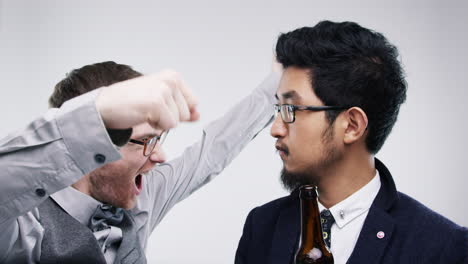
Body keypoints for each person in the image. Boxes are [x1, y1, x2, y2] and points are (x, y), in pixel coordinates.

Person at [0, 61, 280, 263]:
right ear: (89, 146)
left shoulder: (141, 196)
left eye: (159, 139)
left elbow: (213, 150)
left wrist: (281, 79)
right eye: (145, 140)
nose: (159, 156)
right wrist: (94, 115)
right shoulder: (20, 221)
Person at [235, 21, 467, 264]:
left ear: (352, 125)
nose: (276, 129)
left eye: (291, 108)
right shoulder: (262, 226)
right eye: (279, 109)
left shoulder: (443, 247)